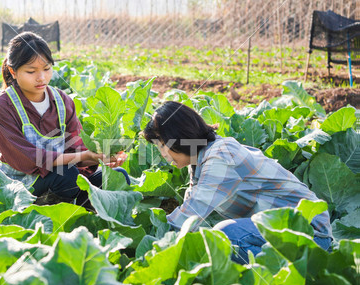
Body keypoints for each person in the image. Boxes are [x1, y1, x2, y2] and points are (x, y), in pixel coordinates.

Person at [142, 101, 333, 264]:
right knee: (215, 242)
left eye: (162, 145)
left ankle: (301, 280)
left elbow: (191, 214)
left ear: (180, 137)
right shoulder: (200, 161)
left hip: (310, 233)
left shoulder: (220, 156)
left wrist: (144, 241)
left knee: (226, 235)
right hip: (280, 232)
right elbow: (190, 219)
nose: (163, 154)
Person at [0, 32, 128, 206]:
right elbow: (29, 158)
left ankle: (81, 212)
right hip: (21, 185)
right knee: (66, 175)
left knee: (119, 176)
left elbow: (75, 148)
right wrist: (82, 156)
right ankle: (50, 211)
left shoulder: (62, 100)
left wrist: (99, 157)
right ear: (13, 72)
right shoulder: (2, 106)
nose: (41, 78)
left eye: (47, 69)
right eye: (31, 71)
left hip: (60, 176)